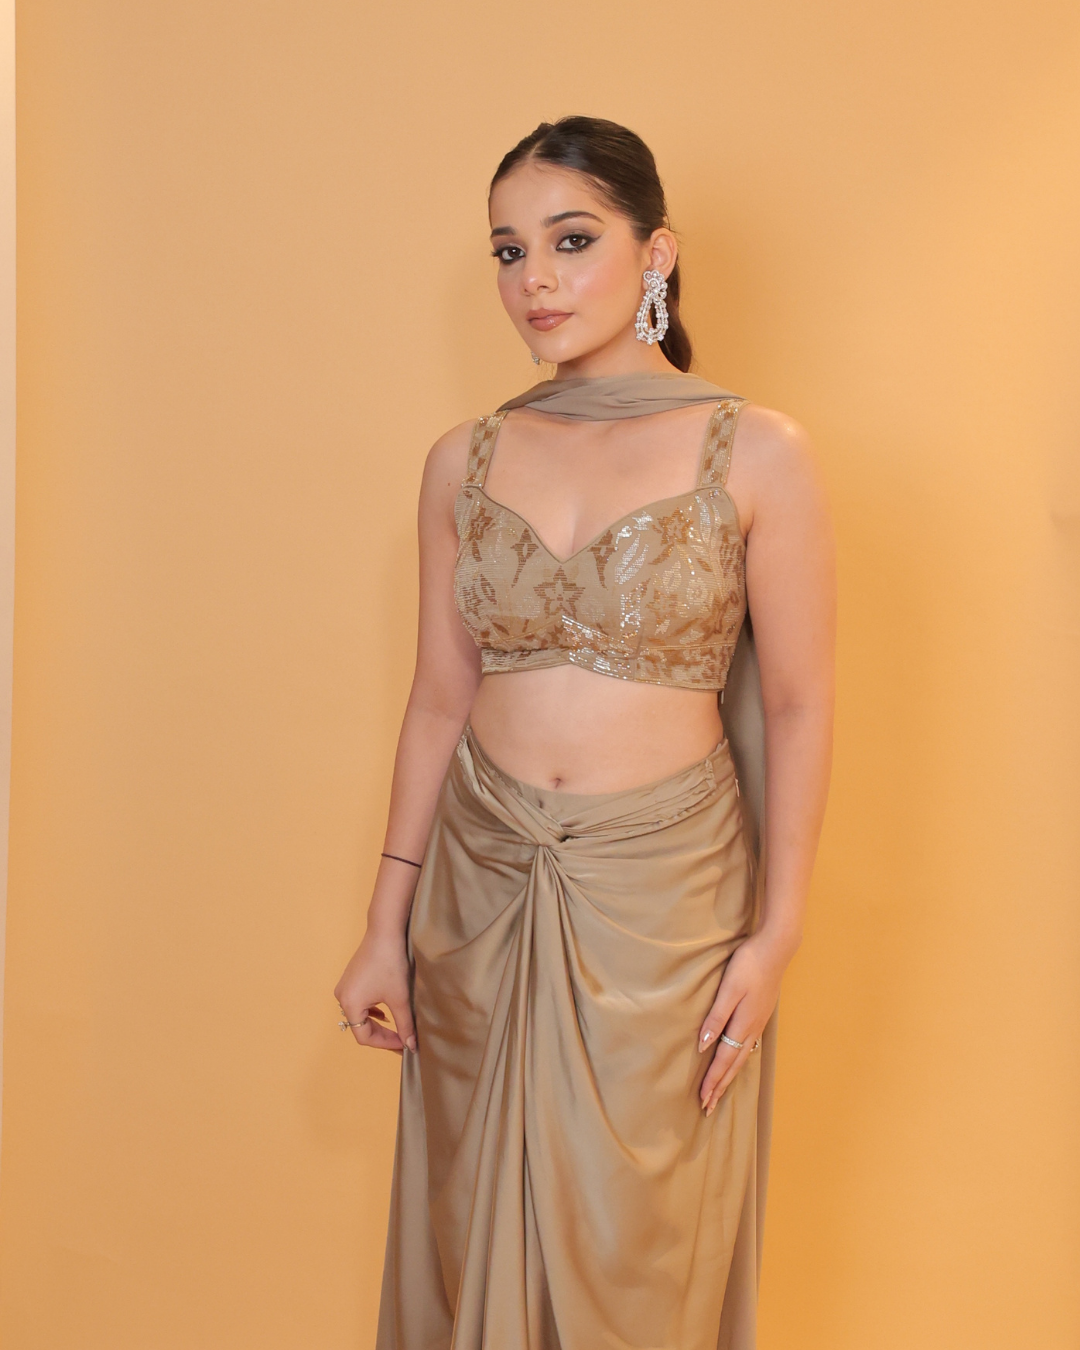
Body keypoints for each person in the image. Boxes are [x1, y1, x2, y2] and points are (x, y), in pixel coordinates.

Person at [334, 115, 835, 1350]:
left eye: (571, 241)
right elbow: (437, 700)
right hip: (479, 887)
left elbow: (797, 703)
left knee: (638, 1249)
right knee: (467, 1222)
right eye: (509, 252)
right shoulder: (464, 459)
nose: (535, 281)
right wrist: (383, 928)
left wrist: (777, 933)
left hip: (663, 900)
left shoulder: (757, 450)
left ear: (656, 252)